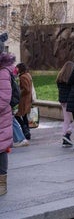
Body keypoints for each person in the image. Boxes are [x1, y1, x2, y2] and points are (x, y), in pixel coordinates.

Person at [0, 48, 15, 195]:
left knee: (1, 149)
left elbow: (4, 98)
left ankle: (2, 183)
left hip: (1, 119)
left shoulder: (3, 72)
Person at [56, 61, 74, 148]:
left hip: (62, 101)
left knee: (66, 120)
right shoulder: (71, 78)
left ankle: (65, 139)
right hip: (70, 101)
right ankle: (67, 134)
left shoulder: (60, 77)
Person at [14, 63, 32, 141]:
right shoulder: (28, 75)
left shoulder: (23, 77)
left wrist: (19, 92)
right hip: (27, 99)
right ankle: (27, 133)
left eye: (17, 68)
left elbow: (26, 89)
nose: (16, 70)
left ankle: (25, 129)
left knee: (17, 115)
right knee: (24, 117)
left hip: (24, 100)